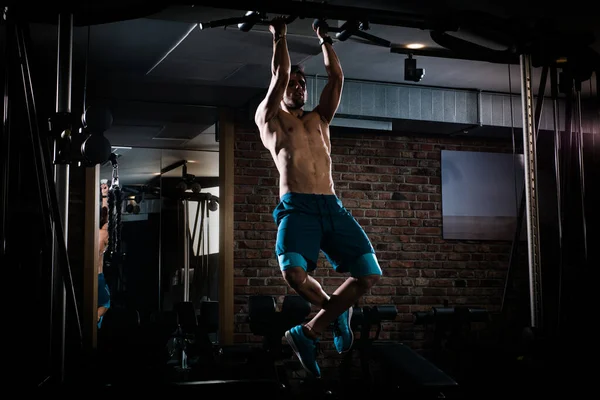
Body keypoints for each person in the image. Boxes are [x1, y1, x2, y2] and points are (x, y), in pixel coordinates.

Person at [254, 16, 382, 378]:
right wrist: (279, 34)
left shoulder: (320, 119)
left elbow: (336, 79)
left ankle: (310, 331)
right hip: (298, 207)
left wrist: (325, 39)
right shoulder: (270, 117)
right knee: (293, 273)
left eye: (301, 82)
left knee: (369, 273)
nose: (297, 86)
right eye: (292, 82)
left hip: (331, 204)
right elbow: (278, 75)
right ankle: (336, 314)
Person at [97, 180, 111, 328]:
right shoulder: (102, 235)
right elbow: (105, 218)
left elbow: (105, 218)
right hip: (98, 279)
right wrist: (104, 195)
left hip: (97, 279)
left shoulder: (102, 235)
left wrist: (105, 195)